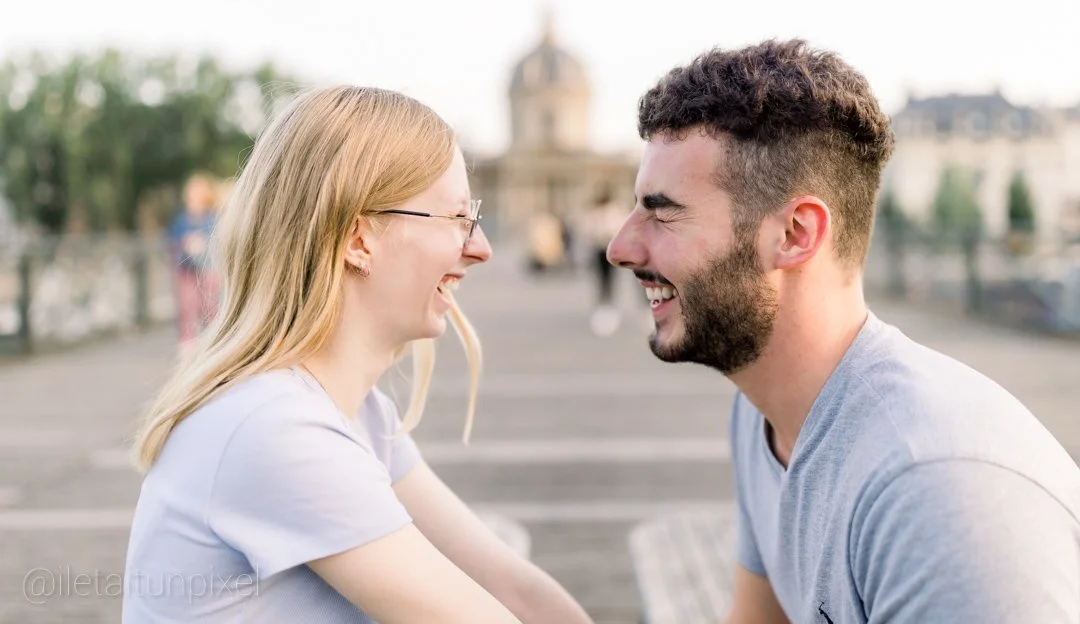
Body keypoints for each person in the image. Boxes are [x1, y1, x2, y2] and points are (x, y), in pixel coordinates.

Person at [606, 40, 1080, 622]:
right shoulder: (763, 411)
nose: (619, 247)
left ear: (795, 234)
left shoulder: (934, 494)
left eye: (662, 211)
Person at [124, 86, 594, 624]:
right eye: (457, 217)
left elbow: (515, 592)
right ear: (358, 239)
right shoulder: (275, 429)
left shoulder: (355, 413)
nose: (481, 246)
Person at [167, 173, 220, 347]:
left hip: (207, 268)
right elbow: (171, 242)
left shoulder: (211, 220)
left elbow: (218, 244)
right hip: (186, 268)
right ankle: (187, 342)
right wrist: (184, 244)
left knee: (209, 306)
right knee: (186, 305)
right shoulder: (181, 221)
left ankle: (212, 341)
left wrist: (203, 244)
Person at [581, 190, 626, 336]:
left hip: (608, 248)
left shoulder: (614, 211)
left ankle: (609, 305)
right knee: (602, 279)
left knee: (609, 279)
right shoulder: (596, 213)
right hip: (600, 248)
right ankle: (604, 305)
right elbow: (588, 230)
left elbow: (618, 228)